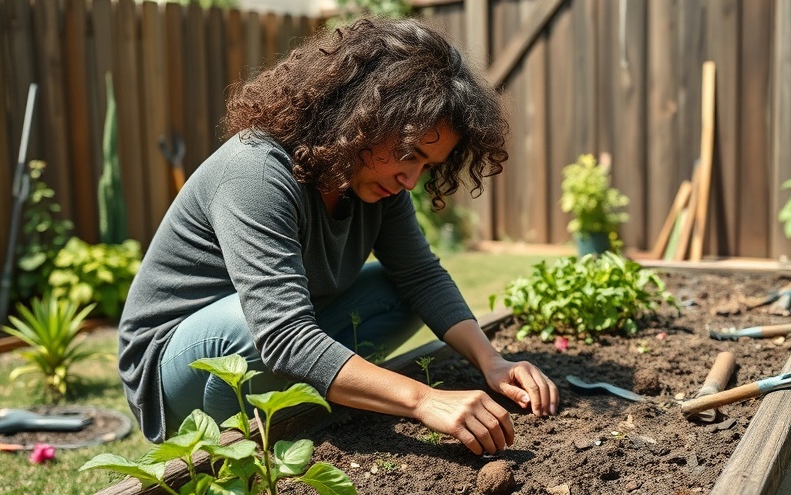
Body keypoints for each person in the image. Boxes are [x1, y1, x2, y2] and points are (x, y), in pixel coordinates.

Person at [118, 16, 559, 456]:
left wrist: (491, 361)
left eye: (427, 165)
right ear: (362, 116)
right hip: (174, 369)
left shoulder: (373, 180)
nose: (411, 179)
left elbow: (421, 275)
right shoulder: (255, 169)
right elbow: (281, 334)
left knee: (403, 291)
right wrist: (424, 399)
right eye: (409, 154)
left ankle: (320, 391)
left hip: (273, 337)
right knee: (252, 328)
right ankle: (248, 433)